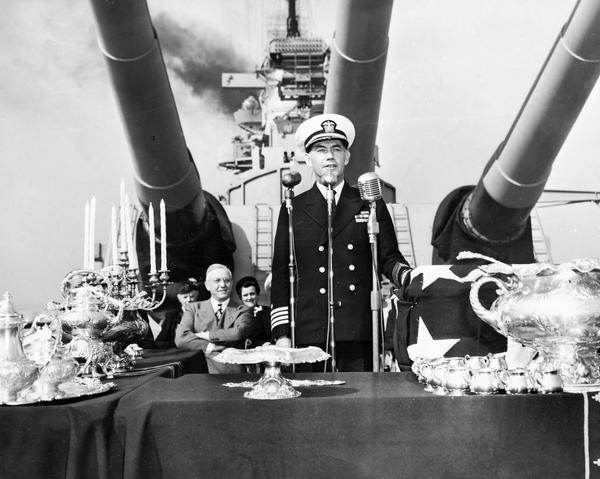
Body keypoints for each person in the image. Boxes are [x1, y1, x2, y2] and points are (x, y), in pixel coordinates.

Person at [270, 113, 412, 372]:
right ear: (308, 158)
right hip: (307, 332)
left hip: (357, 330)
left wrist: (411, 278)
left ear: (346, 157)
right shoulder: (294, 208)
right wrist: (281, 333)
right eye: (321, 150)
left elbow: (388, 258)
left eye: (337, 149)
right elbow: (281, 275)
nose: (329, 156)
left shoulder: (368, 203)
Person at [175, 264, 253, 373]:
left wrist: (206, 335)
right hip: (200, 372)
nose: (223, 285)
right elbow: (180, 339)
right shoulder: (193, 308)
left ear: (231, 283)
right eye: (217, 281)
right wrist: (211, 347)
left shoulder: (242, 309)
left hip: (232, 372)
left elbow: (238, 333)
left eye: (227, 280)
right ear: (207, 285)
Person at [235, 276, 272, 348]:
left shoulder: (268, 312)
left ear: (257, 293)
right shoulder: (235, 315)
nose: (249, 298)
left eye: (252, 294)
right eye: (245, 295)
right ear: (240, 297)